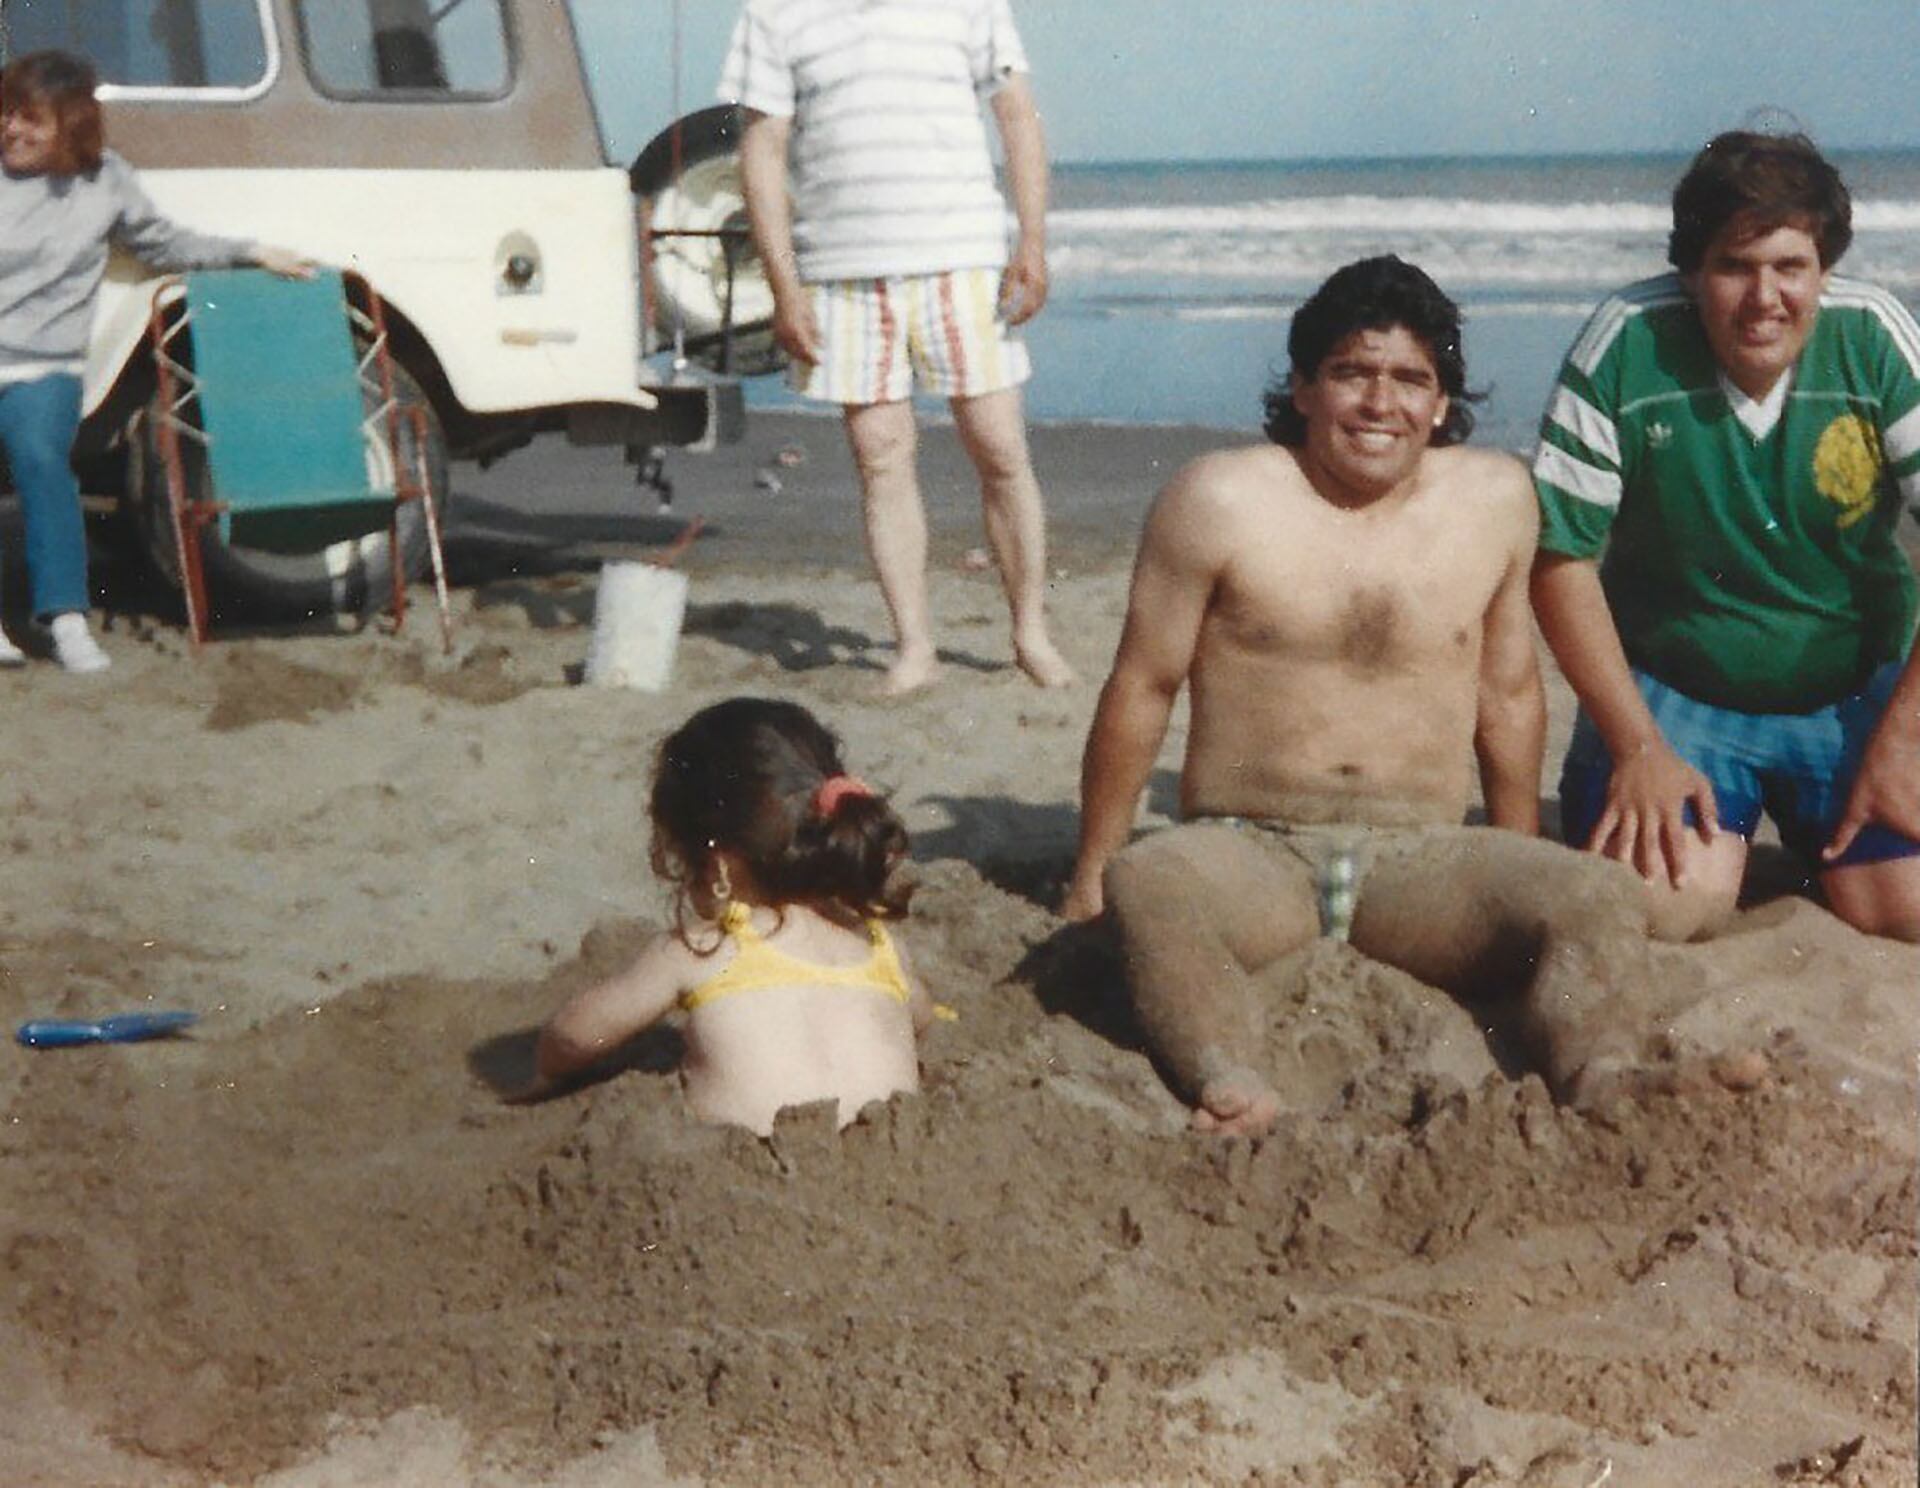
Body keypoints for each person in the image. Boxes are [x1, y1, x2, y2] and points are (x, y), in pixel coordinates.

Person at [1061, 257, 1690, 1137]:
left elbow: (1508, 695)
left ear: (1440, 403)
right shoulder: (1219, 497)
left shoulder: (1495, 499)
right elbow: (1142, 684)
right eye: (1352, 373)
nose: (1379, 402)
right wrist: (1092, 868)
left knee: (1595, 897)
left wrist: (1517, 854)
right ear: (1307, 389)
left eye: (1409, 379)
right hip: (1254, 850)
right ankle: (1231, 1076)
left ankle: (1603, 1071)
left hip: (1418, 859)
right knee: (1147, 883)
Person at [1532, 130, 1920, 944]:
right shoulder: (1628, 341)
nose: (1764, 296)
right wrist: (1637, 746)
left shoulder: (1874, 337)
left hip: (1858, 688)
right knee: (1669, 909)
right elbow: (1562, 557)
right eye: (1734, 266)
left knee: (1901, 907)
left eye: (1790, 267)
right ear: (1690, 271)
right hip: (1678, 691)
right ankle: (1728, 837)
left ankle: (1822, 840)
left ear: (1825, 269)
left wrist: (1900, 744)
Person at [720, 0, 1074, 695]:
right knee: (881, 457)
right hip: (842, 273)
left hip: (963, 257)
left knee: (1000, 446)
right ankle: (915, 646)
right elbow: (762, 153)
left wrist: (1031, 239)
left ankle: (1030, 631)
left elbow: (1017, 115)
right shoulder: (771, 12)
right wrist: (785, 288)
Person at [0, 49, 309, 673]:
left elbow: (165, 242)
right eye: (6, 113)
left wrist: (251, 252)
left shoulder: (105, 182)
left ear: (72, 126)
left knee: (41, 463)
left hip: (43, 365)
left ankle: (65, 619)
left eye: (31, 119)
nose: (11, 129)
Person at [525, 697, 942, 1135]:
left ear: (719, 866)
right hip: (880, 1167)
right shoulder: (879, 946)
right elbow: (922, 1018)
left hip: (755, 1169)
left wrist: (548, 1072)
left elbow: (574, 1035)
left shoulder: (700, 949)